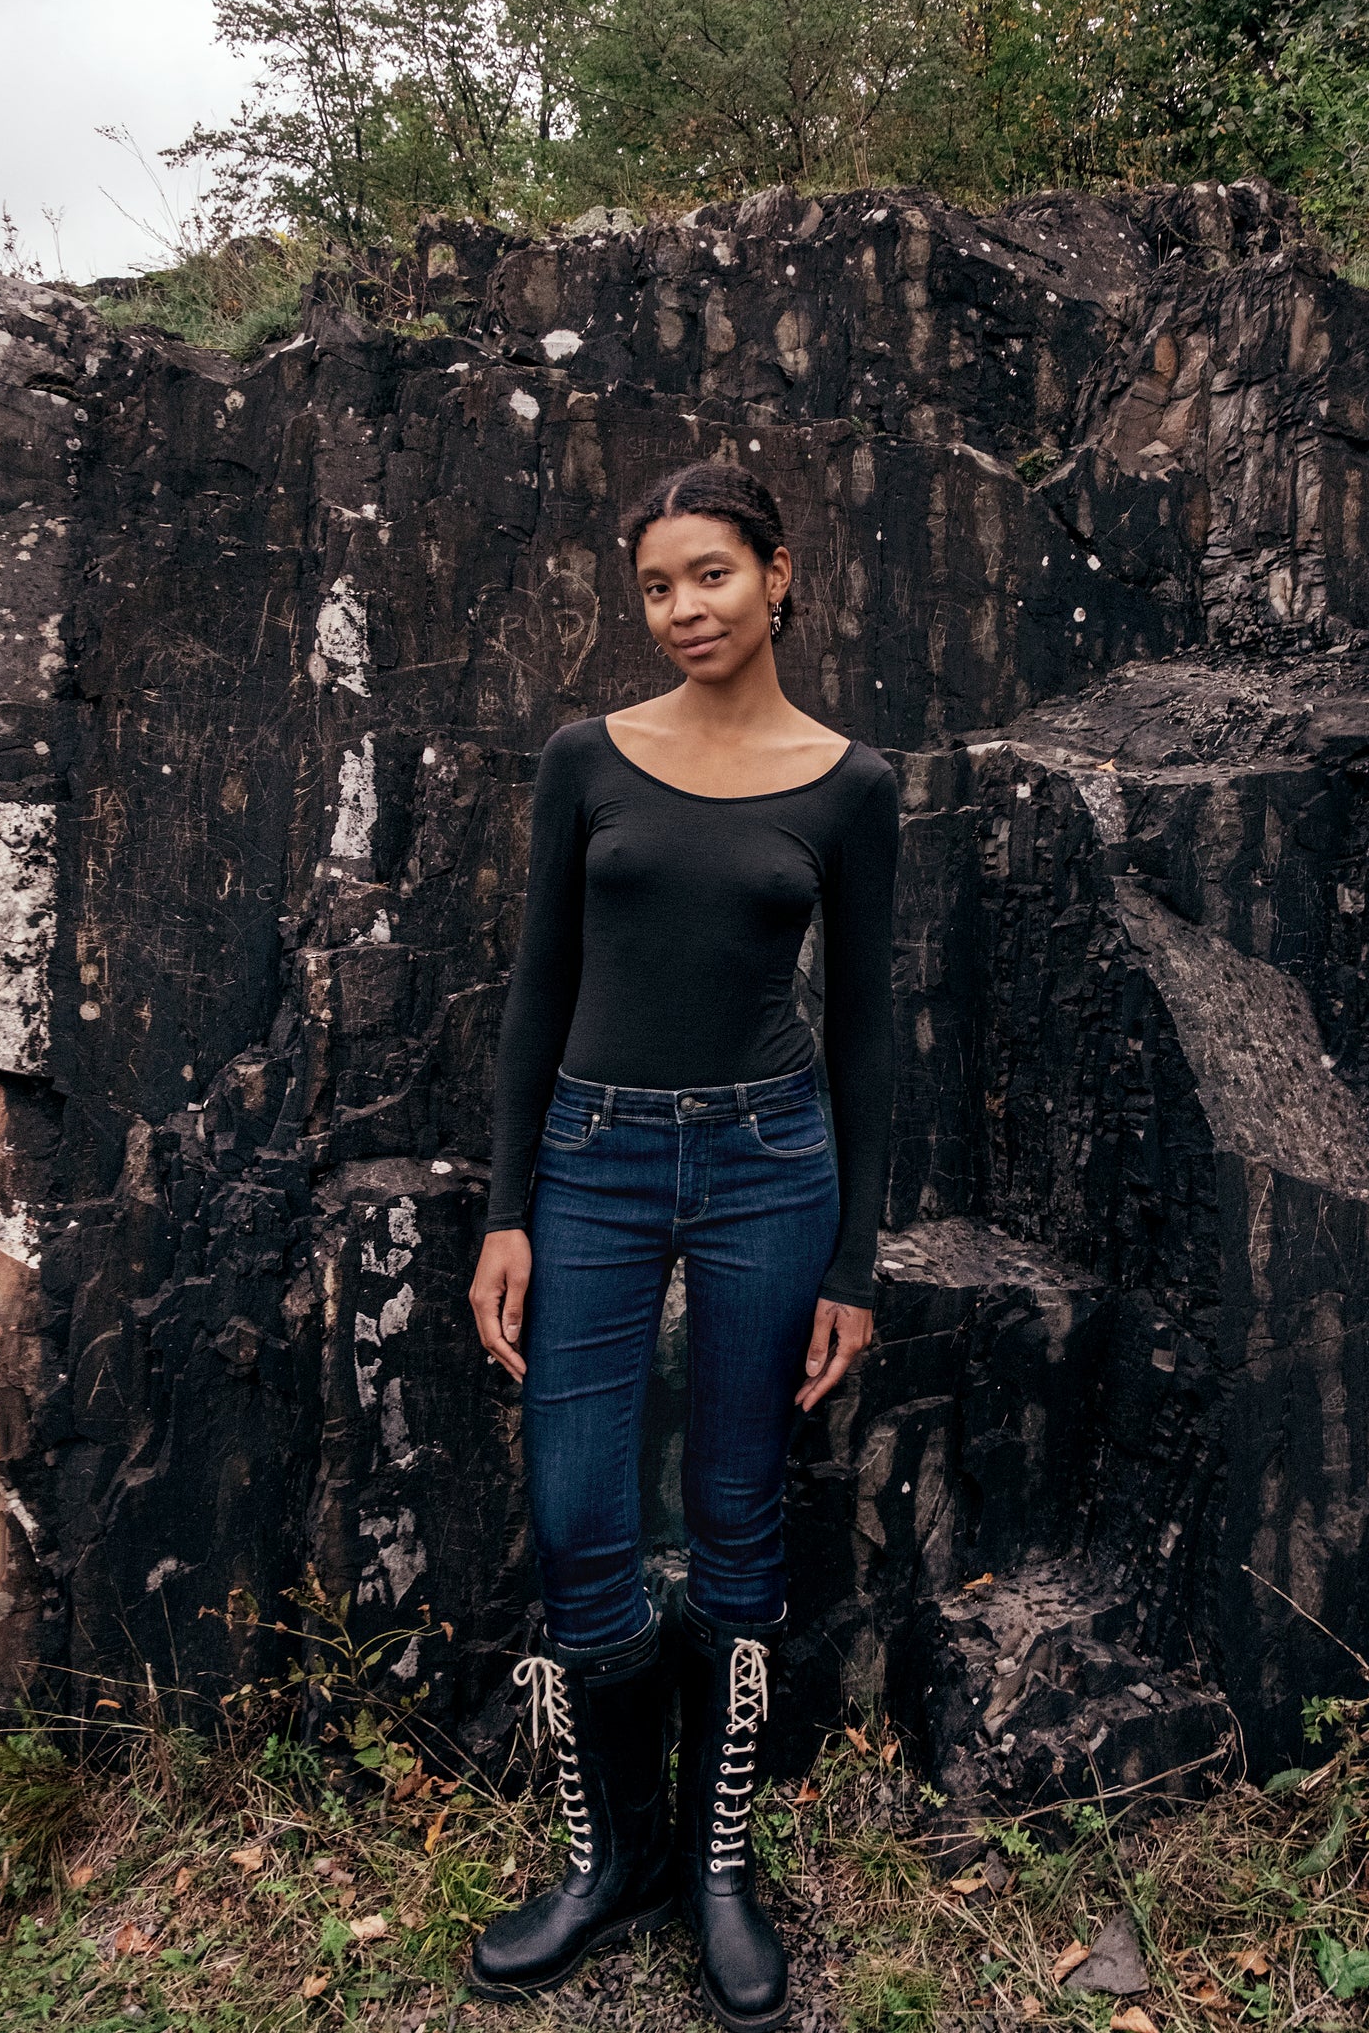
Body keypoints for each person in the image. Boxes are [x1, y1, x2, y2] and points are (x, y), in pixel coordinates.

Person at [466, 460, 900, 2030]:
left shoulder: (849, 784)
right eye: (655, 586)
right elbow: (534, 989)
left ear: (778, 575)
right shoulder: (588, 759)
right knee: (580, 1520)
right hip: (589, 1162)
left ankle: (716, 1871)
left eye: (709, 575)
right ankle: (611, 1862)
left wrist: (854, 1261)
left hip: (768, 1163)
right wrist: (507, 1208)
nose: (682, 610)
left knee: (733, 1518)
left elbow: (861, 1036)